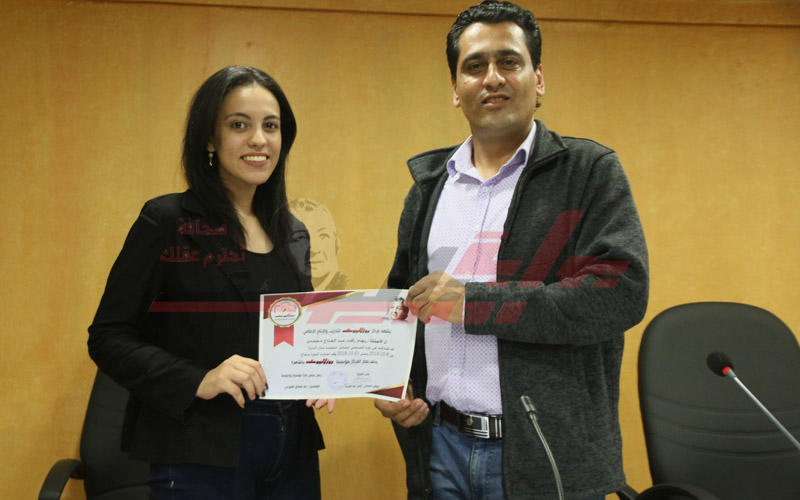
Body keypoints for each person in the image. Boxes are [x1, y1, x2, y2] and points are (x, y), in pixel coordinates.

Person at [373, 2, 649, 499]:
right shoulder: (428, 187)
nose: (492, 78)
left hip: (545, 455)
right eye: (474, 66)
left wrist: (475, 304)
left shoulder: (588, 171)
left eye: (509, 61)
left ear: (537, 79)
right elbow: (402, 301)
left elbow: (619, 293)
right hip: (439, 449)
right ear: (456, 89)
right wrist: (390, 384)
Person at [88, 66, 334, 500]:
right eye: (239, 125)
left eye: (271, 126)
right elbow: (108, 337)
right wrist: (197, 378)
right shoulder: (168, 221)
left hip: (291, 448)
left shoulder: (293, 231)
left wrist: (321, 370)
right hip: (201, 451)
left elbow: (293, 334)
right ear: (209, 138)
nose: (259, 139)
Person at [288, 197, 350, 290]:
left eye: (323, 236)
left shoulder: (358, 296)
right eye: (300, 238)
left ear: (336, 244)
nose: (314, 249)